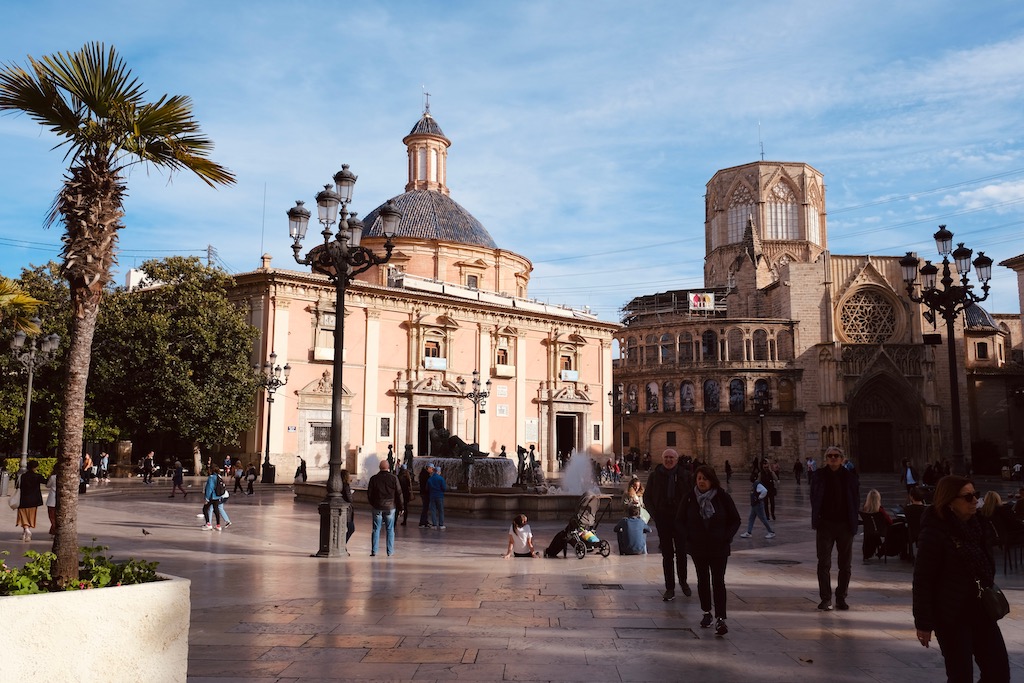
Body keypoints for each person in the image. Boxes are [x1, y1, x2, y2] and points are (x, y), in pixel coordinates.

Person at [913, 476, 1010, 682]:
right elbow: (923, 579)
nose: (975, 500)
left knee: (999, 672)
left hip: (982, 611)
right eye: (967, 497)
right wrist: (923, 622)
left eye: (976, 495)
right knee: (961, 676)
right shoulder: (934, 532)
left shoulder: (979, 526)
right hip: (951, 615)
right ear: (949, 502)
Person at [677, 465, 741, 637]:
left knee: (718, 581)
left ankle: (721, 617)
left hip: (719, 547)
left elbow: (735, 520)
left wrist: (726, 537)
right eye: (699, 478)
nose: (701, 481)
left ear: (711, 480)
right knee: (702, 580)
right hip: (698, 547)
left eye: (704, 478)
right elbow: (680, 521)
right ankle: (706, 612)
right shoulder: (690, 498)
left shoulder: (722, 497)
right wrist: (688, 537)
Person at [810, 445, 859, 611]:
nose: (833, 458)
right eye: (830, 455)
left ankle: (841, 598)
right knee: (823, 563)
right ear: (826, 458)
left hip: (845, 525)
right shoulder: (818, 476)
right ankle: (826, 599)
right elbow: (814, 497)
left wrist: (853, 522)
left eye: (836, 456)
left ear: (842, 459)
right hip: (825, 525)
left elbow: (855, 499)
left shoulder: (850, 477)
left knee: (845, 565)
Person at [644, 448, 692, 601]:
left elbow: (692, 495)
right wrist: (655, 515)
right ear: (662, 459)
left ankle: (683, 582)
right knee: (667, 555)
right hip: (663, 519)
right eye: (666, 458)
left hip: (680, 520)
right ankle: (669, 587)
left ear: (676, 460)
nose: (669, 460)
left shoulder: (685, 476)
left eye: (671, 457)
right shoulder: (655, 476)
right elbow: (647, 497)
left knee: (682, 553)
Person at [367, 460, 403, 556]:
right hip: (390, 507)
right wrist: (401, 507)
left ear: (379, 467)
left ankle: (374, 551)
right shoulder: (394, 478)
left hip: (377, 506)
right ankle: (390, 551)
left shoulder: (374, 479)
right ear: (388, 467)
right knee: (390, 529)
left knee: (376, 529)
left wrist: (373, 504)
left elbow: (369, 494)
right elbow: (399, 493)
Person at [15, 460, 46, 542]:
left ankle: (26, 532)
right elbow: (46, 482)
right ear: (35, 467)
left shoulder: (22, 476)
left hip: (23, 499)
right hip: (34, 500)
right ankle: (27, 532)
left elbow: (17, 486)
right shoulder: (38, 476)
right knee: (31, 517)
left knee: (23, 516)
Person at [860, 488, 893, 561]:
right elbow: (890, 522)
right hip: (882, 531)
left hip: (869, 532)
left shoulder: (864, 510)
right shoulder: (880, 511)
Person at [739, 474, 775, 539]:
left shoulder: (758, 484)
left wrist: (759, 497)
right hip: (754, 505)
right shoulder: (755, 484)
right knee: (751, 518)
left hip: (758, 505)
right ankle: (749, 532)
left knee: (763, 519)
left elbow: (764, 491)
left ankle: (771, 532)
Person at [201, 465, 224, 531]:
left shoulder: (211, 477)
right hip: (218, 496)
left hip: (212, 496)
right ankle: (218, 525)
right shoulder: (219, 476)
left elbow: (209, 488)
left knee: (205, 509)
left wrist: (206, 498)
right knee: (216, 509)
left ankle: (208, 524)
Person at [427, 464, 447, 530]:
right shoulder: (441, 479)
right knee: (441, 511)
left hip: (432, 496)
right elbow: (444, 488)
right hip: (440, 496)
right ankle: (441, 525)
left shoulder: (430, 479)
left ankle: (434, 525)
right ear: (438, 472)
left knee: (433, 511)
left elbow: (427, 488)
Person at [341, 469, 355, 544]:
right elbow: (349, 499)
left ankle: (342, 544)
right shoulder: (346, 486)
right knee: (351, 528)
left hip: (343, 510)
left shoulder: (340, 485)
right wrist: (351, 494)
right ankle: (342, 544)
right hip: (346, 511)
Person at [418, 463, 433, 528]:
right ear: (428, 468)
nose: (432, 470)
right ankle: (422, 522)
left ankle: (425, 521)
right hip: (425, 494)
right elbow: (427, 486)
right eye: (432, 469)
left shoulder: (423, 474)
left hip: (423, 493)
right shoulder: (427, 476)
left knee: (425, 508)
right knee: (425, 508)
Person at [45, 469, 57, 535]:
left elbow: (48, 485)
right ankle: (53, 531)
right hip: (60, 500)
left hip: (52, 500)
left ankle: (54, 531)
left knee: (52, 517)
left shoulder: (53, 477)